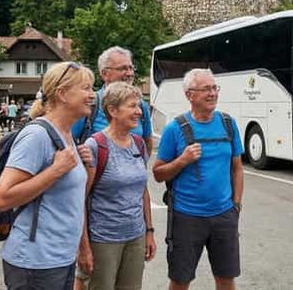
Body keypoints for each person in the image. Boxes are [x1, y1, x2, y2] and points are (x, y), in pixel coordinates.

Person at [0, 61, 95, 290]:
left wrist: (86, 167)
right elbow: (4, 198)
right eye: (86, 88)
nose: (92, 95)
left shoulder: (67, 135)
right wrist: (56, 170)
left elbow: (72, 198)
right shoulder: (36, 136)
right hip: (35, 263)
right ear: (62, 94)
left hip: (61, 258)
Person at [152, 69, 244, 290]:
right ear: (189, 95)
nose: (212, 93)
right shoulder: (175, 129)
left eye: (214, 88)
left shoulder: (228, 124)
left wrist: (236, 206)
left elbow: (237, 168)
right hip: (187, 217)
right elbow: (157, 173)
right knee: (180, 280)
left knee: (226, 278)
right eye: (206, 89)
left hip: (224, 216)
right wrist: (182, 160)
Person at [75, 82, 157, 290]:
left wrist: (149, 231)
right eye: (132, 106)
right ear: (112, 110)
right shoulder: (96, 145)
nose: (139, 112)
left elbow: (143, 191)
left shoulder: (138, 143)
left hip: (135, 237)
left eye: (139, 106)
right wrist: (83, 247)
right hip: (103, 240)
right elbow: (79, 200)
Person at [71, 47, 153, 155]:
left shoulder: (140, 105)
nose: (129, 73)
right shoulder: (90, 104)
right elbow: (68, 142)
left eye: (131, 68)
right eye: (122, 69)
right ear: (104, 73)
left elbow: (147, 141)